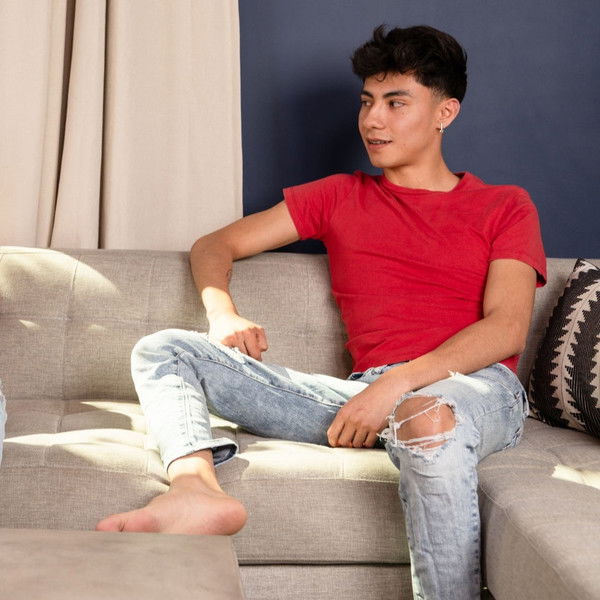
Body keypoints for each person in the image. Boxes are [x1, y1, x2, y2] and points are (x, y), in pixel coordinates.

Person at [97, 25, 546, 600]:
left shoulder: (503, 205)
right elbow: (214, 245)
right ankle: (194, 490)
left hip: (472, 390)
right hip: (362, 398)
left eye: (395, 102)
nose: (372, 120)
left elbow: (506, 327)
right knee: (164, 349)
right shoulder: (338, 196)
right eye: (367, 102)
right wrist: (223, 313)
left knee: (426, 414)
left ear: (445, 112)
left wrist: (399, 385)